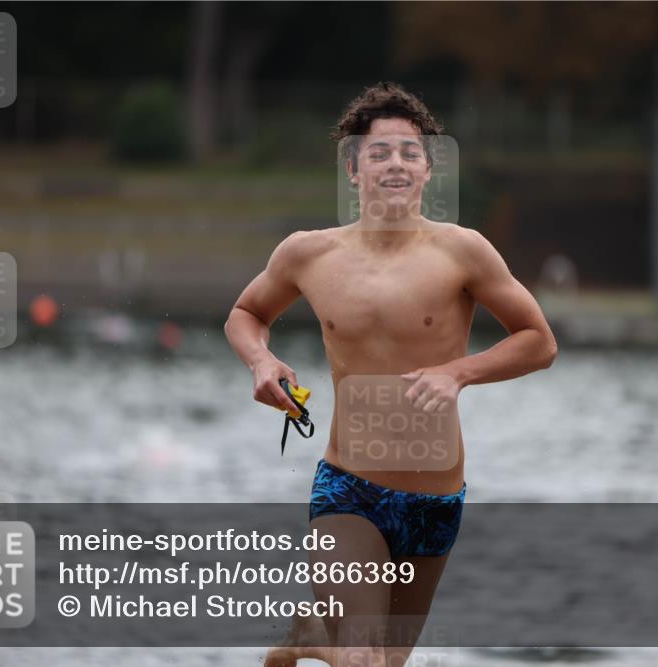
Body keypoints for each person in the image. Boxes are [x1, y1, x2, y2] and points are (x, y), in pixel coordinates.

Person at [224, 82, 557, 667]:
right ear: (354, 170)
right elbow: (246, 314)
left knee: (382, 664)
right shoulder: (308, 254)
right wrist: (262, 361)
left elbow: (539, 341)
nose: (396, 163)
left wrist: (457, 373)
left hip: (436, 500)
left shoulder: (464, 252)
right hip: (349, 490)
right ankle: (328, 641)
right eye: (379, 153)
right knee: (362, 658)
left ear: (428, 169)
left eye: (409, 152)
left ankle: (310, 635)